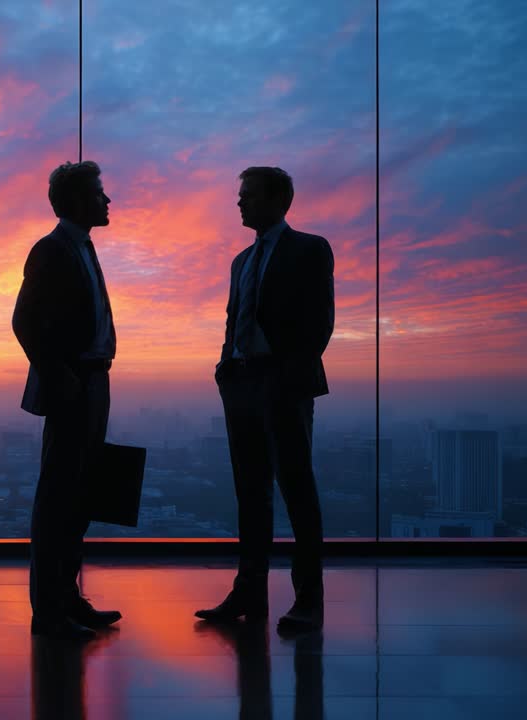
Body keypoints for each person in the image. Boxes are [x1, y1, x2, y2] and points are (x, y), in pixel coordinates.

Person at [196, 166, 335, 631]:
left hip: (284, 384)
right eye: (241, 196)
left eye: (248, 195)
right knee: (249, 494)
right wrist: (226, 368)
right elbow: (235, 319)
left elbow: (319, 324)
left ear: (277, 200)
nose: (240, 203)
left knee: (297, 491)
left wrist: (283, 376)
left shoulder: (310, 249)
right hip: (241, 384)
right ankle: (249, 593)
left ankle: (307, 600)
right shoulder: (241, 261)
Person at [12, 160, 122, 639]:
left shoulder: (81, 248)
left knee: (80, 496)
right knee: (59, 497)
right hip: (73, 384)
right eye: (99, 192)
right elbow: (24, 322)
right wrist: (63, 377)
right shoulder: (52, 250)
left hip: (93, 381)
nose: (107, 200)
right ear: (78, 201)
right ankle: (50, 612)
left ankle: (68, 599)